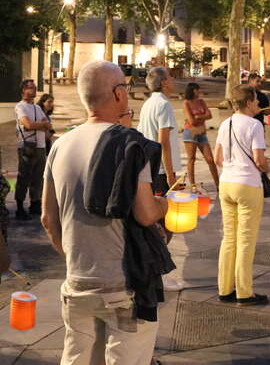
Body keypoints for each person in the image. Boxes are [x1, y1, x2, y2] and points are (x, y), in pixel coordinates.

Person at [41, 60, 169, 365]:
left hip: (76, 284)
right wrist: (167, 204)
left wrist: (73, 259)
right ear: (118, 94)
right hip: (121, 287)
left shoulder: (61, 144)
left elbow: (48, 218)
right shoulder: (129, 144)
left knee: (77, 359)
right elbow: (146, 214)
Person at [215, 85, 269, 306]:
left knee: (229, 238)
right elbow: (259, 160)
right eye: (256, 100)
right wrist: (266, 167)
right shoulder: (255, 125)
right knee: (246, 240)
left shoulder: (224, 123)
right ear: (248, 102)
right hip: (247, 185)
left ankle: (225, 288)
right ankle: (244, 292)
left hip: (226, 183)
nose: (258, 103)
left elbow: (217, 158)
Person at [138, 66, 184, 291]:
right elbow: (163, 140)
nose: (174, 80)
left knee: (158, 222)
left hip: (149, 169)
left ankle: (154, 270)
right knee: (167, 223)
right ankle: (160, 272)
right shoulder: (164, 104)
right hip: (161, 172)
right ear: (164, 82)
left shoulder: (148, 104)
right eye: (171, 77)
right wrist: (171, 172)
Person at [15, 79, 52, 220]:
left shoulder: (37, 108)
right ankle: (19, 207)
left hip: (41, 146)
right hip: (27, 146)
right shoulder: (20, 107)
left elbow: (48, 125)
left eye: (35, 87)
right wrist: (41, 125)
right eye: (31, 88)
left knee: (38, 178)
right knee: (24, 177)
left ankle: (34, 204)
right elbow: (28, 124)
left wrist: (43, 125)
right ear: (23, 90)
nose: (34, 90)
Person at [183, 82, 219, 191]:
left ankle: (218, 184)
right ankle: (193, 185)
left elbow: (210, 115)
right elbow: (191, 121)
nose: (199, 91)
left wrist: (198, 116)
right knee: (191, 159)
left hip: (202, 133)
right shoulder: (186, 103)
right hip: (190, 133)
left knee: (210, 159)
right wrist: (201, 117)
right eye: (198, 89)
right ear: (193, 90)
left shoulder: (201, 102)